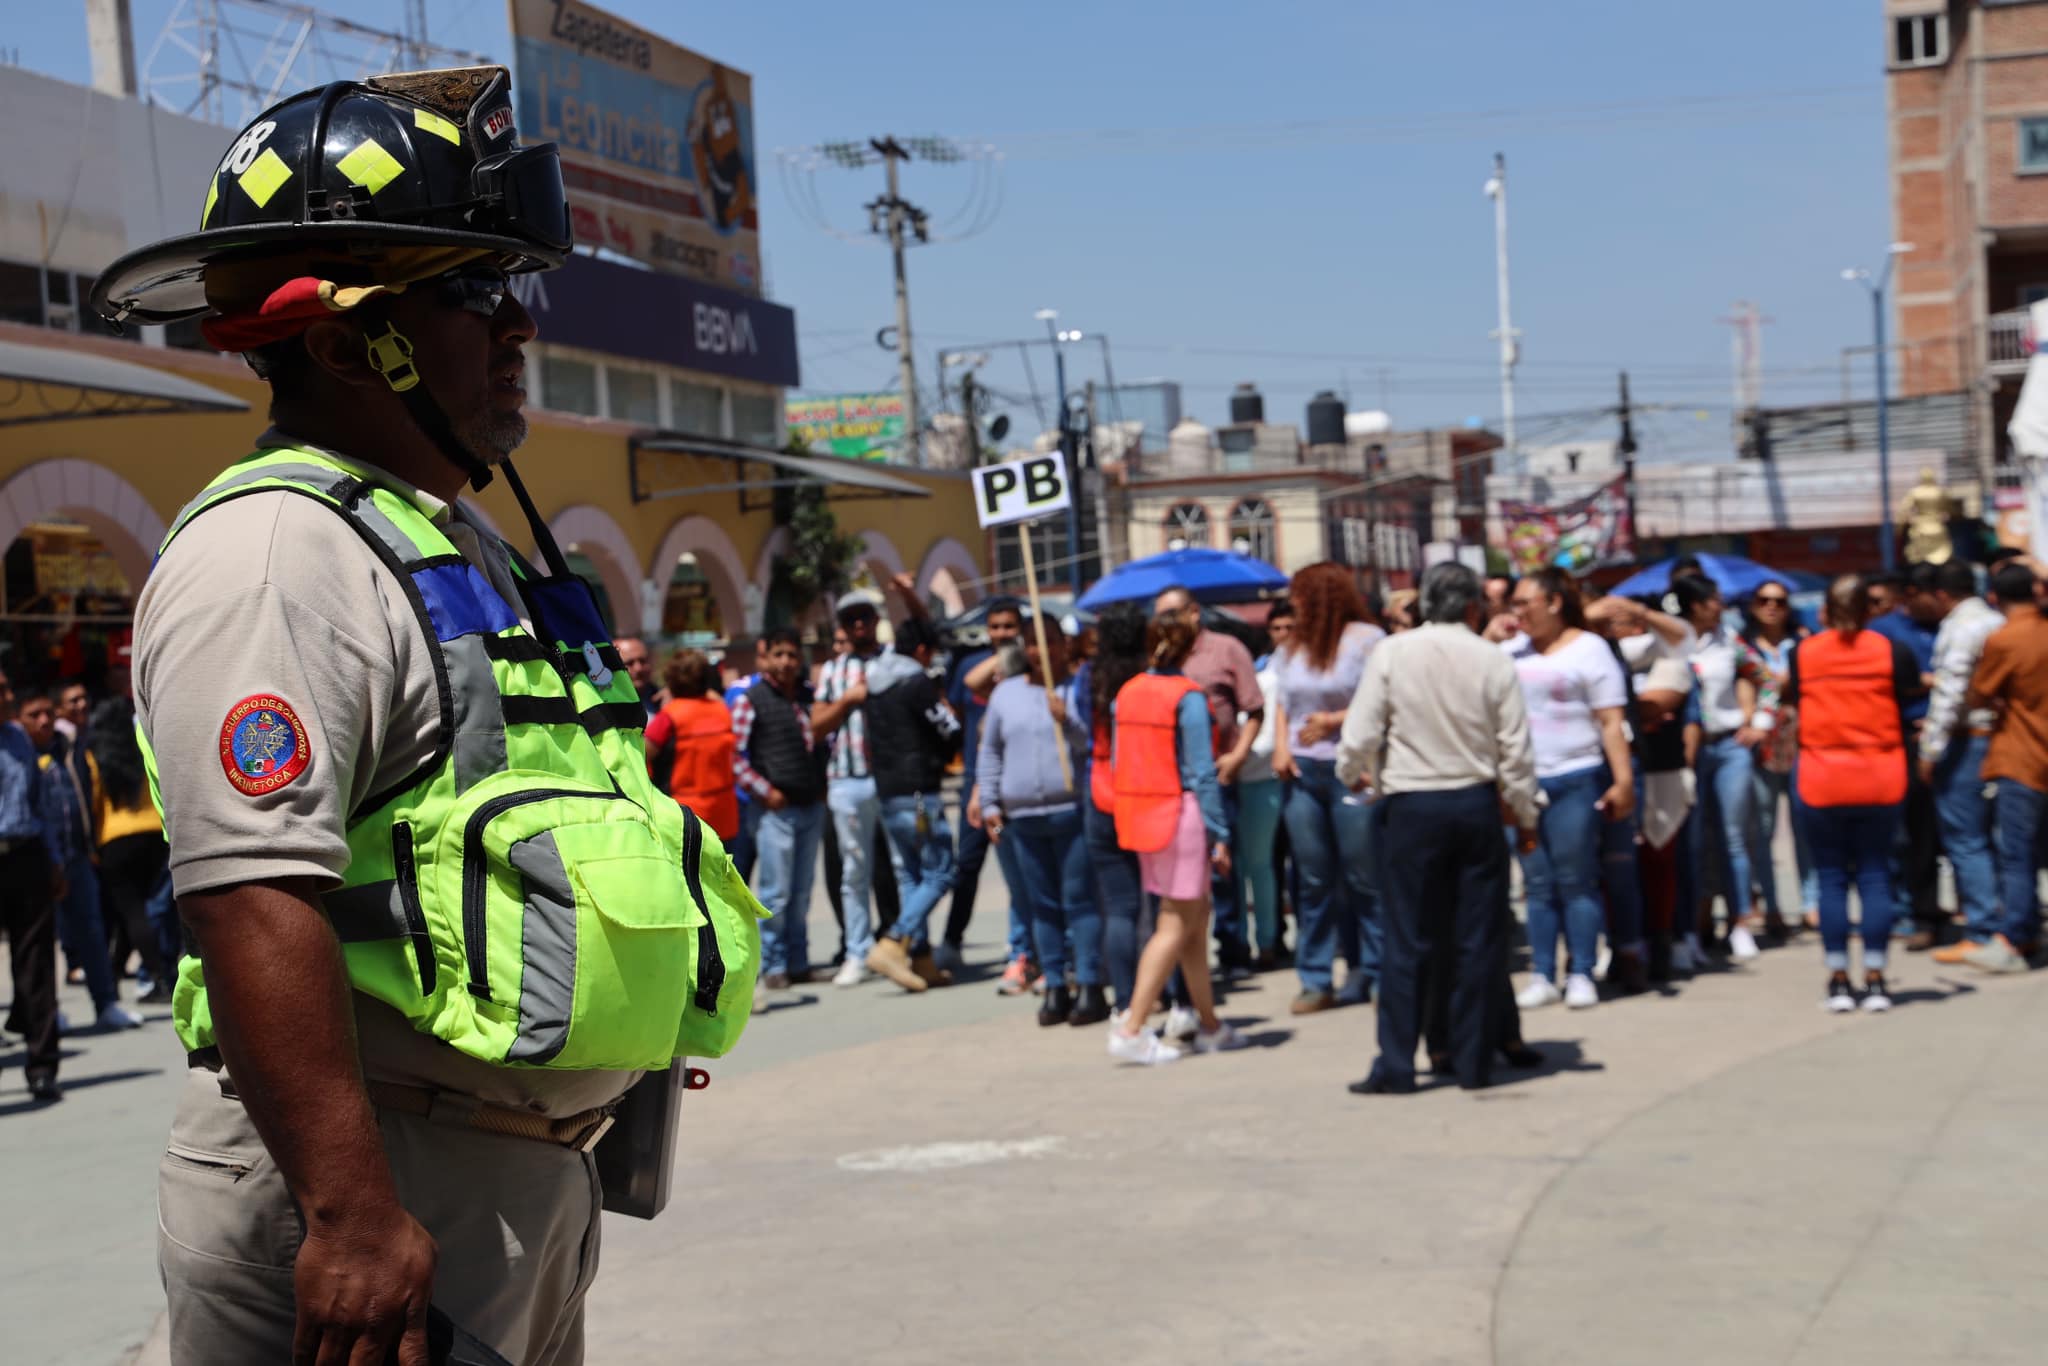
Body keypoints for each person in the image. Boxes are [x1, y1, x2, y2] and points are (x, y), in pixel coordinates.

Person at [98, 69, 760, 1363]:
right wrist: (348, 1214)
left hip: (518, 1180)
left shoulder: (449, 537)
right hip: (372, 1179)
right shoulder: (281, 550)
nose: (515, 325)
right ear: (344, 343)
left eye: (515, 289)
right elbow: (248, 890)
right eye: (469, 292)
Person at [1337, 563, 1541, 1095]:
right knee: (1479, 938)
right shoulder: (1491, 659)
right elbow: (1515, 751)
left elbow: (1359, 731)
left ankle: (1398, 1065)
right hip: (1473, 803)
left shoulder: (1393, 653)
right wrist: (1525, 813)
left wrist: (1350, 771)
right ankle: (1474, 1062)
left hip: (1411, 806)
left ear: (1426, 602)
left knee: (1406, 940)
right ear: (1473, 606)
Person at [1106, 612, 1247, 1063]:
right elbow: (1203, 773)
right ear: (1192, 649)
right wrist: (1219, 831)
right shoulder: (1186, 698)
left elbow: (1119, 760)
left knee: (1190, 924)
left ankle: (1209, 1024)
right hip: (1179, 812)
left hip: (1142, 813)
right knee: (1175, 924)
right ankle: (1132, 1028)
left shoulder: (1127, 693)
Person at [1785, 575, 1917, 1010]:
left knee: (1831, 877)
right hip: (1880, 774)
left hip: (1823, 776)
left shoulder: (1803, 654)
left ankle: (1839, 979)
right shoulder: (1890, 650)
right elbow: (1908, 694)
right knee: (1877, 874)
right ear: (1869, 611)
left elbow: (1793, 697)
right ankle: (1876, 977)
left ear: (1824, 610)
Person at [1505, 570, 1635, 1011]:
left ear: (1555, 603)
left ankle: (1580, 970)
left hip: (1577, 775)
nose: (1517, 611)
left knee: (1576, 879)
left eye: (1525, 602)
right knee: (1536, 883)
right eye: (1514, 603)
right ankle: (1542, 973)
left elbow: (1611, 720)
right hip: (1523, 781)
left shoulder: (1590, 648)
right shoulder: (1509, 652)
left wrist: (1623, 781)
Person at [1268, 564, 1384, 1013]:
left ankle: (1375, 970)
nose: (1292, 603)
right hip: (1302, 772)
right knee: (1313, 880)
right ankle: (1316, 978)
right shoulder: (1293, 645)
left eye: (1299, 595)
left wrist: (1334, 721)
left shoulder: (1364, 639)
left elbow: (1379, 699)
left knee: (1364, 876)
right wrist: (1282, 747)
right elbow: (1283, 701)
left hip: (1351, 769)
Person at [980, 624, 1098, 1025]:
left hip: (1072, 810)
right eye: (1031, 644)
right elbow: (991, 750)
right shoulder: (1005, 694)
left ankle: (1089, 981)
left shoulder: (1076, 689)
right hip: (1024, 818)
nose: (1038, 651)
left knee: (1078, 900)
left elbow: (1093, 746)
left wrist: (1070, 721)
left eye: (1046, 642)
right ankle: (1053, 983)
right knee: (1040, 906)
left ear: (1062, 646)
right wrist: (990, 800)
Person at [1154, 585, 1265, 979]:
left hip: (1216, 774)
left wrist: (1237, 756)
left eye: (1172, 615)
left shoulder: (1226, 649)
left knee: (1222, 864)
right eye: (1160, 617)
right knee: (1180, 876)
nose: (1165, 624)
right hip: (1169, 781)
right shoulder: (1159, 657)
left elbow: (1254, 709)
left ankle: (1234, 950)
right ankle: (1187, 959)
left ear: (1193, 613)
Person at [863, 616, 963, 995]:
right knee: (941, 872)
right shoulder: (916, 682)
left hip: (888, 792)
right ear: (922, 650)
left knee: (913, 876)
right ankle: (894, 941)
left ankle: (921, 959)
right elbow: (949, 729)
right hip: (920, 794)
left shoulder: (873, 683)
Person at [1958, 560, 2048, 973]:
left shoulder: (2005, 639)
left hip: (2023, 757)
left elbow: (1978, 695)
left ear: (1994, 598)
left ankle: (2016, 936)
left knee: (2017, 855)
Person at [29, 684, 136, 1028]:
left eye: (48, 712)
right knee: (38, 941)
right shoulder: (20, 754)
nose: (44, 721)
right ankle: (45, 1011)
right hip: (36, 859)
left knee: (92, 930)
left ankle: (105, 1003)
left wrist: (90, 845)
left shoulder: (71, 746)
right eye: (35, 715)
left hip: (76, 854)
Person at [1674, 574, 1769, 961]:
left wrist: (1758, 723)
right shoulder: (1672, 640)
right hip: (1689, 752)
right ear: (1695, 605)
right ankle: (1695, 925)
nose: (1721, 606)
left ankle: (1740, 922)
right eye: (1713, 600)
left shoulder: (1730, 640)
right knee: (1694, 842)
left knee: (1733, 838)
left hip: (1729, 745)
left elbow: (1767, 679)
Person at [1916, 561, 2004, 962]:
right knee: (1997, 838)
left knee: (1966, 840)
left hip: (1969, 740)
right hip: (2001, 737)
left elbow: (1949, 692)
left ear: (1941, 594)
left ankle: (1983, 929)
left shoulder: (1960, 627)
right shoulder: (1997, 621)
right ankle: (2008, 925)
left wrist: (1930, 749)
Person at [736, 629, 827, 997]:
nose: (787, 662)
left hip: (809, 806)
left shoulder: (807, 697)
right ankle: (773, 965)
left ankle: (798, 962)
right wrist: (765, 791)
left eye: (792, 654)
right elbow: (735, 759)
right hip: (775, 810)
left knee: (802, 890)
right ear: (765, 659)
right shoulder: (750, 699)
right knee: (775, 893)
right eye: (779, 654)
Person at [950, 597, 1032, 986]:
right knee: (966, 863)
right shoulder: (976, 665)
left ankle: (1020, 949)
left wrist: (1018, 654)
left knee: (1020, 871)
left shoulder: (1029, 667)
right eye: (996, 626)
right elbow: (969, 688)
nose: (1002, 634)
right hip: (977, 778)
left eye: (1010, 627)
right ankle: (952, 939)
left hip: (1017, 782)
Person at [1076, 604, 1152, 1013]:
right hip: (1146, 791)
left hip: (1102, 790)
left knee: (1119, 907)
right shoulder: (1148, 680)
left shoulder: (1089, 678)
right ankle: (1162, 991)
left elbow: (1079, 727)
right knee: (1156, 903)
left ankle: (1125, 1000)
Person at [813, 591, 890, 986]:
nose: (859, 624)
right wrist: (848, 700)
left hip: (892, 780)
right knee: (854, 871)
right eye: (850, 619)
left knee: (901, 867)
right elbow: (816, 725)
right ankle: (858, 951)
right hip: (846, 780)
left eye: (865, 616)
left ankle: (903, 945)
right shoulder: (832, 672)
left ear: (876, 619)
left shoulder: (894, 664)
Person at [0, 670, 66, 1101]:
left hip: (26, 857)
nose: (8, 695)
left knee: (36, 961)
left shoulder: (20, 739)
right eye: (2, 689)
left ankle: (42, 1064)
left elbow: (39, 805)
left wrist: (55, 861)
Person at [1868, 564, 1942, 949]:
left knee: (1957, 837)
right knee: (1913, 836)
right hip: (1905, 742)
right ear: (1911, 594)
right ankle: (1918, 914)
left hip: (1954, 737)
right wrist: (1921, 686)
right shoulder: (1882, 633)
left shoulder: (1951, 625)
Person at [1738, 579, 1814, 938]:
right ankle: (1771, 905)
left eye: (1779, 601)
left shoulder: (1803, 643)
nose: (1771, 607)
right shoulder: (1743, 646)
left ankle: (1810, 904)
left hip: (1801, 738)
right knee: (1762, 829)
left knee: (1805, 827)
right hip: (1761, 741)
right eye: (1764, 599)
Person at [90, 697, 175, 1006]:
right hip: (153, 833)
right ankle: (115, 974)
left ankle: (156, 976)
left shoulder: (96, 753)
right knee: (142, 909)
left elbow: (94, 800)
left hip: (115, 840)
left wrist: (91, 843)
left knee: (131, 911)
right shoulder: (139, 742)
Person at [645, 649, 740, 843]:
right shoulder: (721, 709)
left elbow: (642, 754)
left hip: (684, 818)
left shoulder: (669, 716)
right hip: (723, 815)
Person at [1238, 608, 1288, 969]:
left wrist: (1235, 756)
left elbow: (1269, 739)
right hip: (1230, 783)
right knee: (1234, 869)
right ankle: (1238, 942)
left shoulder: (1269, 682)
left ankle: (1267, 940)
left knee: (1259, 864)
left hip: (1259, 782)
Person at [719, 635, 765, 881]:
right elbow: (732, 749)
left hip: (779, 799)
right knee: (739, 875)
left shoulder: (797, 689)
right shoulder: (739, 691)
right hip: (744, 798)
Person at [615, 634, 659, 716]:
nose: (638, 668)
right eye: (629, 663)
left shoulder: (665, 701)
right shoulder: (604, 707)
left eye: (643, 661)